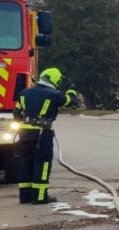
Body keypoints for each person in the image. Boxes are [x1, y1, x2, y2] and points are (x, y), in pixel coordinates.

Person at [14, 68, 77, 204]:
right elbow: (70, 101)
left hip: (24, 134)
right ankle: (40, 196)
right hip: (42, 134)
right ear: (55, 80)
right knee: (42, 164)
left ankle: (25, 196)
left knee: (26, 163)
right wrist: (71, 88)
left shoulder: (25, 93)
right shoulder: (54, 94)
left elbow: (16, 114)